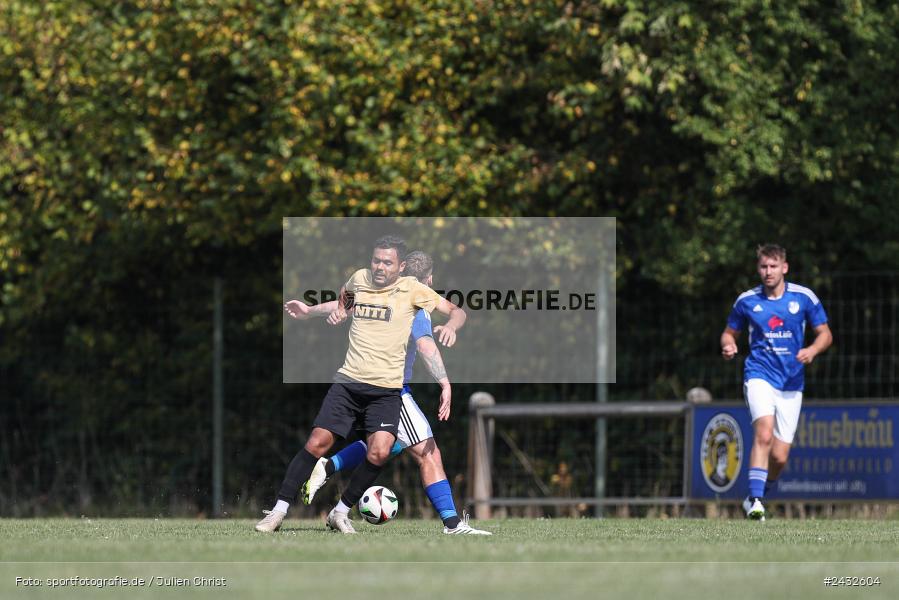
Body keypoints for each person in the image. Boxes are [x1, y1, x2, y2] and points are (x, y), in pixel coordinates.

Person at [256, 236, 466, 534]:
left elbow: (457, 312)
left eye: (387, 262)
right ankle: (278, 511)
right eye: (376, 260)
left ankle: (337, 498)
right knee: (421, 452)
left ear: (402, 267)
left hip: (387, 391)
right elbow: (350, 302)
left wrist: (450, 326)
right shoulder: (365, 281)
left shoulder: (414, 295)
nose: (379, 266)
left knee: (383, 449)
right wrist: (314, 310)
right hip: (364, 385)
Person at [720, 244, 832, 521]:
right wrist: (729, 345)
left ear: (784, 267)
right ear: (758, 268)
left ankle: (755, 496)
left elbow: (825, 334)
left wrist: (813, 350)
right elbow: (728, 333)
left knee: (780, 457)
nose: (767, 272)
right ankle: (757, 501)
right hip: (759, 375)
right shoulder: (747, 301)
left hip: (792, 382)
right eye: (763, 267)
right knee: (764, 434)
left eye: (773, 266)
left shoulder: (803, 298)